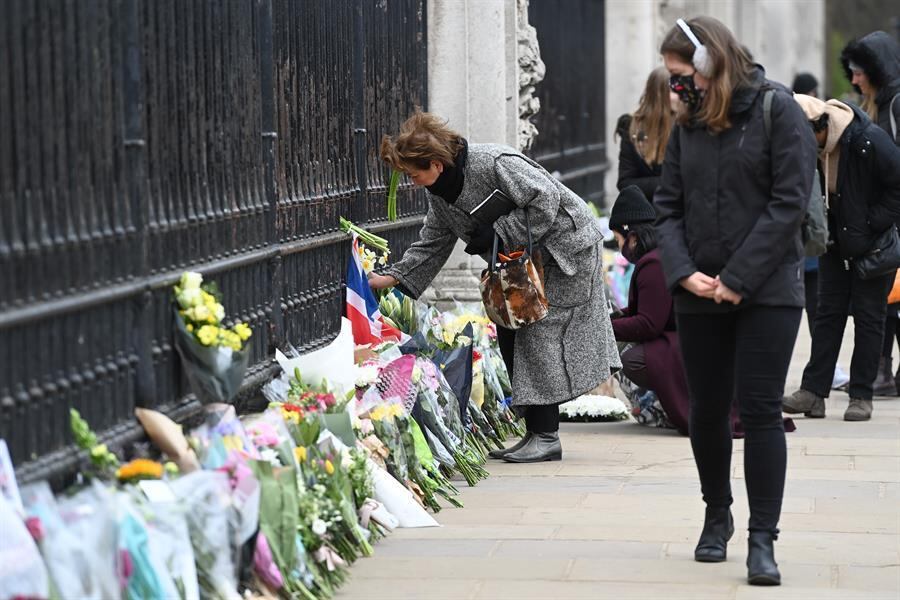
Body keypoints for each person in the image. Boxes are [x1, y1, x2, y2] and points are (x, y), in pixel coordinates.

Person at [655, 16, 817, 586]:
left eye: (682, 78)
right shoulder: (689, 128)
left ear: (709, 64)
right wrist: (683, 272)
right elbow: (667, 207)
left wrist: (738, 278)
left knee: (761, 411)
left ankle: (762, 539)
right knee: (706, 409)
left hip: (767, 293)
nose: (677, 89)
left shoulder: (779, 111)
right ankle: (716, 513)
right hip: (700, 293)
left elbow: (789, 202)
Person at [373, 111, 620, 463]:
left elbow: (546, 199)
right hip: (526, 262)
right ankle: (536, 431)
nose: (413, 182)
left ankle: (546, 436)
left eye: (414, 174)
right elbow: (435, 241)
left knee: (537, 333)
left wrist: (502, 230)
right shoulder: (439, 194)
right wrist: (394, 276)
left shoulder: (492, 162)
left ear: (437, 164)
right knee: (511, 330)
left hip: (566, 250)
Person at [783, 95, 900, 421]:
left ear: (819, 128)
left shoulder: (866, 139)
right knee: (826, 314)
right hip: (834, 244)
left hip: (871, 246)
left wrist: (872, 223)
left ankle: (862, 394)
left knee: (869, 318)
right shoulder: (816, 147)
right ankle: (813, 392)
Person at [840, 31, 900, 395]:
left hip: (891, 216)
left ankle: (881, 371)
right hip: (885, 215)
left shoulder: (894, 103)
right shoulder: (877, 104)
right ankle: (882, 370)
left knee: (889, 298)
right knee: (889, 297)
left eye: (860, 71)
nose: (855, 78)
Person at [609, 185, 690, 435]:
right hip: (680, 337)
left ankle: (668, 406)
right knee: (622, 343)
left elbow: (648, 323)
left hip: (683, 343)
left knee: (631, 359)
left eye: (619, 239)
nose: (619, 245)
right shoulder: (657, 256)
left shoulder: (653, 263)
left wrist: (604, 328)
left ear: (632, 236)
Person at [616, 67, 679, 201]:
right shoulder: (633, 128)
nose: (681, 95)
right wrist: (669, 183)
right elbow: (625, 183)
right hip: (650, 215)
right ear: (658, 94)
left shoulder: (687, 126)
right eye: (674, 90)